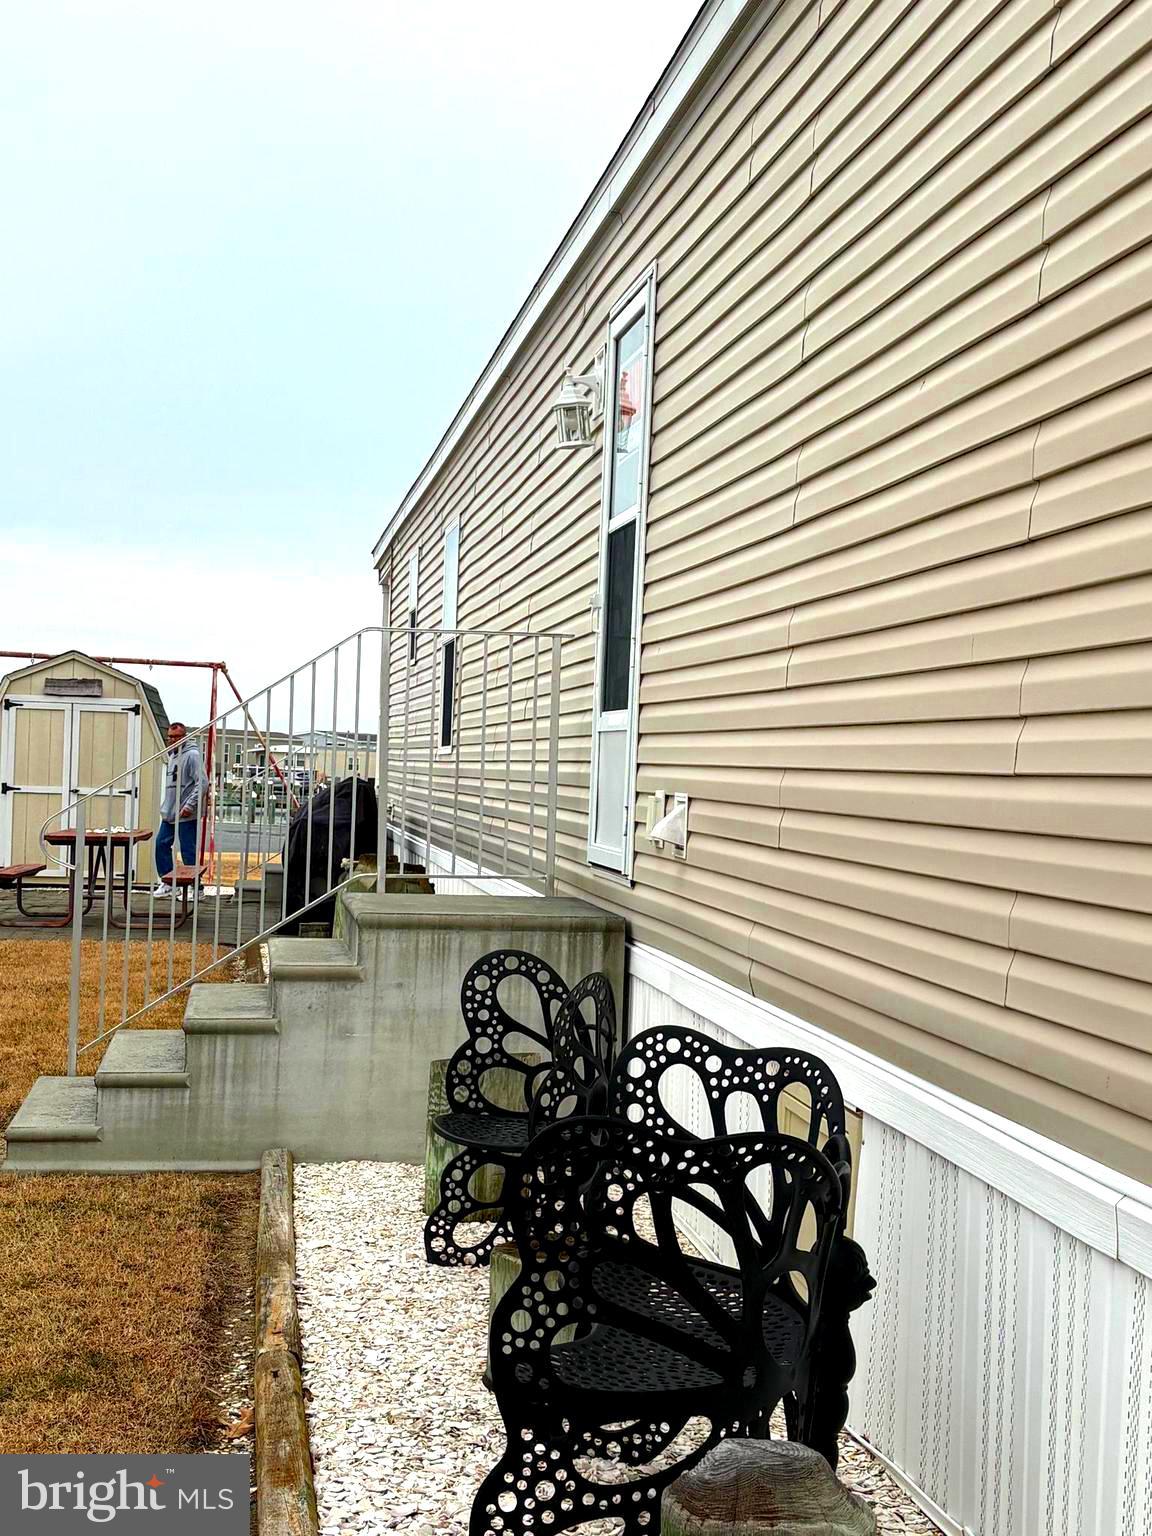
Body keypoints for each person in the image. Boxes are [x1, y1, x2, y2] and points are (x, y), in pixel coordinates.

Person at [151, 722, 209, 898]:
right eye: (170, 737)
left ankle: (196, 888)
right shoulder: (173, 756)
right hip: (170, 811)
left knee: (187, 850)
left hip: (185, 812)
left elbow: (203, 783)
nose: (172, 740)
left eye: (176, 737)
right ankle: (169, 882)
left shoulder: (192, 755)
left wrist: (189, 805)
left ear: (184, 737)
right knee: (161, 844)